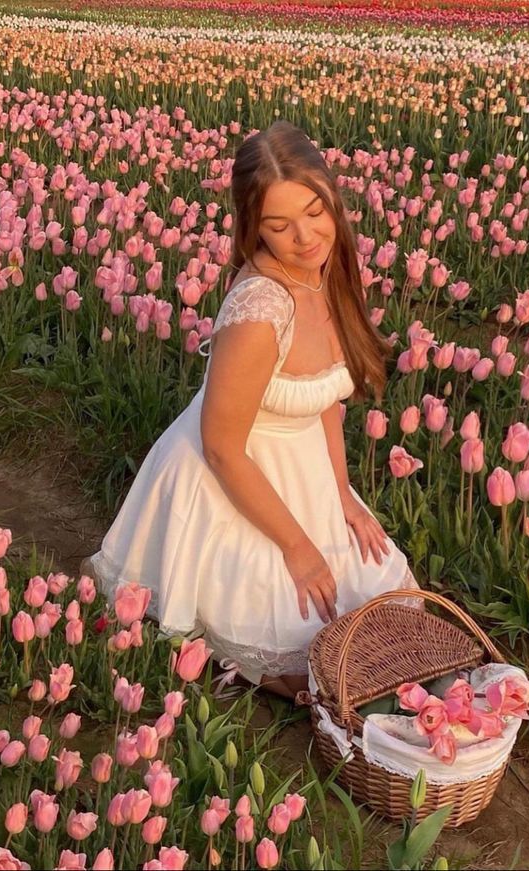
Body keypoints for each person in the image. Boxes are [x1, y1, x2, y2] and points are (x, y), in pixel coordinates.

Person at [82, 121, 421, 699]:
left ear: (332, 199)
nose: (307, 236)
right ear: (252, 228)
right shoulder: (261, 311)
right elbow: (221, 446)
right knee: (315, 665)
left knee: (399, 619)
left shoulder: (329, 275)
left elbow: (326, 407)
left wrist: (340, 497)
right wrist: (297, 548)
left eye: (315, 211)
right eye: (279, 225)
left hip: (304, 467)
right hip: (230, 476)